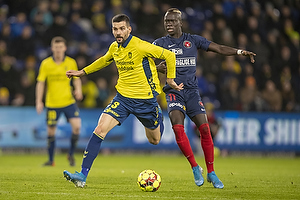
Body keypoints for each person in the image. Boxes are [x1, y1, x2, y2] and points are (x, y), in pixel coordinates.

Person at [63, 14, 183, 188]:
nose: (118, 32)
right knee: (100, 129)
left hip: (146, 101)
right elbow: (104, 60)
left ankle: (157, 114)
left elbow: (170, 56)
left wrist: (170, 80)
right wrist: (83, 72)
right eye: (115, 29)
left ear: (129, 29)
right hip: (123, 98)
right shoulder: (114, 47)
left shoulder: (141, 46)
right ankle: (82, 174)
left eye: (121, 29)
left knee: (154, 140)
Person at [153, 8, 256, 189]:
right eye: (166, 21)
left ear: (180, 22)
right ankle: (194, 167)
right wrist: (157, 68)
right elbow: (146, 62)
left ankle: (211, 172)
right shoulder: (160, 43)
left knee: (205, 129)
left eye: (172, 21)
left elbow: (218, 48)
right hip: (173, 91)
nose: (168, 24)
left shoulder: (192, 40)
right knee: (178, 128)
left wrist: (240, 52)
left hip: (192, 92)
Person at [35, 36, 83, 166]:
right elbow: (41, 83)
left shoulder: (71, 62)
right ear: (52, 48)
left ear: (65, 48)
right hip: (52, 103)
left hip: (68, 101)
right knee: (51, 131)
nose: (58, 50)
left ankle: (71, 154)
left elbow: (77, 78)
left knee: (77, 126)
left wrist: (78, 90)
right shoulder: (46, 64)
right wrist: (39, 101)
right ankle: (51, 160)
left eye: (60, 47)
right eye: (56, 47)